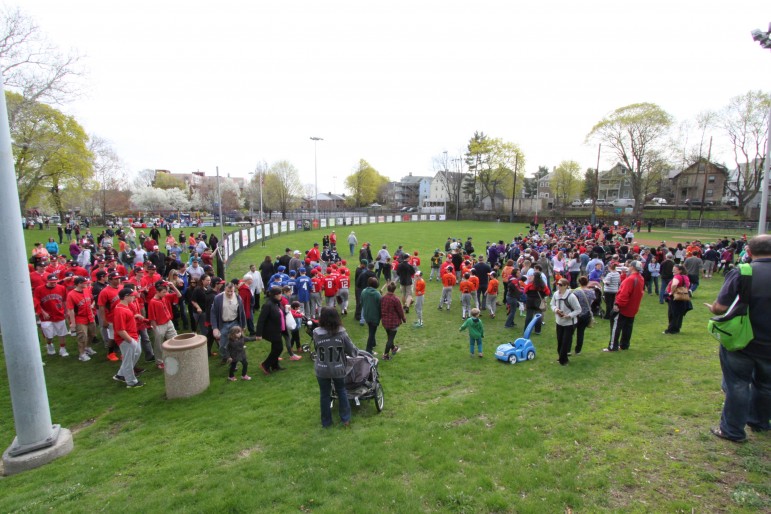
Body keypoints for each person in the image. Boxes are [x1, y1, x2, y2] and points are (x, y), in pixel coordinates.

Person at [704, 234, 771, 442]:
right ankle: (760, 421)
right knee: (766, 385)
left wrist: (712, 308)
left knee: (738, 385)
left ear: (748, 252)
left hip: (744, 340)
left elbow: (721, 307)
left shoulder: (744, 272)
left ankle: (732, 430)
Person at [312, 307, 360, 428]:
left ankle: (326, 423)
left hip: (322, 368)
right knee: (341, 391)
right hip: (338, 368)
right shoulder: (342, 333)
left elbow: (317, 348)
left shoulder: (316, 333)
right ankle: (345, 419)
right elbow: (352, 350)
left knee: (324, 394)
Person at [604, 260, 645, 352]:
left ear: (633, 267)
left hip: (624, 307)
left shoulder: (630, 279)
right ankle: (624, 345)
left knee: (616, 326)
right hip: (633, 307)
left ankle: (612, 346)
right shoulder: (640, 278)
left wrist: (618, 304)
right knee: (628, 327)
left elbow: (624, 293)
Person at [112, 288, 144, 388]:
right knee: (128, 360)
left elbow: (127, 319)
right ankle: (131, 382)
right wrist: (130, 341)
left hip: (132, 336)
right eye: (132, 295)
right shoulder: (120, 310)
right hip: (126, 339)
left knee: (136, 354)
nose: (134, 297)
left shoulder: (124, 306)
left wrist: (135, 316)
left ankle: (120, 375)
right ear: (126, 297)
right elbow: (120, 330)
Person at [34, 274, 70, 357]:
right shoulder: (39, 289)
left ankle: (62, 349)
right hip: (46, 316)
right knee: (49, 335)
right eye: (51, 282)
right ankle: (49, 345)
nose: (53, 283)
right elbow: (37, 302)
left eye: (55, 282)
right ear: (47, 281)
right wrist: (43, 312)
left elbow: (65, 300)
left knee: (62, 333)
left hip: (59, 313)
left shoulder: (61, 288)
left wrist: (66, 311)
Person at [210, 282, 246, 363]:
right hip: (223, 324)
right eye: (228, 291)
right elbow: (213, 313)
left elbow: (242, 312)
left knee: (235, 344)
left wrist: (243, 325)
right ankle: (225, 356)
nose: (230, 293)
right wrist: (215, 328)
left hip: (235, 323)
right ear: (224, 290)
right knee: (222, 345)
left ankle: (234, 362)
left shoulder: (238, 297)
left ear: (234, 290)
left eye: (231, 291)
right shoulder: (218, 298)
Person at [66, 276, 98, 362]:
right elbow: (71, 310)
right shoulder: (71, 294)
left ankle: (87, 347)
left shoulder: (87, 290)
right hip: (80, 318)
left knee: (92, 334)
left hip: (90, 316)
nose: (86, 283)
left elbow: (91, 300)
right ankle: (82, 354)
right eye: (84, 282)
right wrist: (73, 323)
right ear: (79, 284)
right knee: (82, 336)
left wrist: (92, 311)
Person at [255, 286, 286, 375]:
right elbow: (261, 319)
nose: (281, 295)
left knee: (275, 348)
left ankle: (275, 366)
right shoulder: (268, 305)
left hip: (278, 330)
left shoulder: (277, 303)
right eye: (279, 293)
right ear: (275, 295)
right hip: (271, 331)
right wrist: (258, 334)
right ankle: (265, 365)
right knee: (278, 348)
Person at [550, 279, 582, 365]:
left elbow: (578, 309)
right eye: (558, 284)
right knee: (560, 341)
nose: (558, 286)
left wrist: (569, 315)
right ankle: (561, 357)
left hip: (569, 323)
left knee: (565, 342)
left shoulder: (571, 296)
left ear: (566, 286)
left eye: (560, 285)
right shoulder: (556, 294)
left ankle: (563, 361)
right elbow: (552, 304)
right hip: (559, 322)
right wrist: (556, 310)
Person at [663, 264, 691, 335]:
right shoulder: (685, 277)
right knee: (679, 314)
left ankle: (671, 329)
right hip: (683, 297)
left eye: (675, 269)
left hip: (675, 297)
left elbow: (674, 284)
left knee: (672, 314)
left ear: (680, 270)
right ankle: (677, 328)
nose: (673, 270)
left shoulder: (677, 276)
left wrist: (671, 292)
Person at [380, 282, 405, 361]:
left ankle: (393, 348)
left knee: (390, 336)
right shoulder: (395, 299)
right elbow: (400, 311)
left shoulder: (383, 298)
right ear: (394, 289)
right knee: (390, 339)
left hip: (385, 322)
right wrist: (403, 319)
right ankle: (385, 355)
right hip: (393, 322)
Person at [524, 271, 550, 335]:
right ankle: (537, 330)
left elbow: (525, 291)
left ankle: (526, 329)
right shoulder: (543, 285)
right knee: (538, 316)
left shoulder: (530, 284)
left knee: (529, 316)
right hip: (538, 302)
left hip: (530, 302)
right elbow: (548, 292)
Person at [360, 277, 382, 354]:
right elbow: (380, 306)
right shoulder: (377, 294)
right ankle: (368, 349)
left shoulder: (363, 291)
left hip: (367, 315)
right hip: (374, 316)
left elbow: (361, 302)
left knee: (371, 329)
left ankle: (373, 343)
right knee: (372, 332)